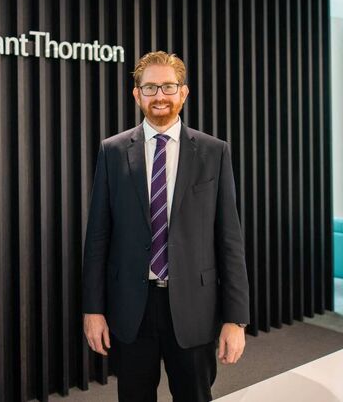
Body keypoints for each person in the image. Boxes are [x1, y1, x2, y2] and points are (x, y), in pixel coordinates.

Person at [82, 51, 250, 402]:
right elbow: (98, 237)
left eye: (169, 87)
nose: (160, 95)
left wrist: (236, 319)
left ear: (183, 92)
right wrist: (93, 310)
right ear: (137, 94)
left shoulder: (213, 152)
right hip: (131, 308)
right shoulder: (113, 151)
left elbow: (229, 240)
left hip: (194, 308)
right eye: (150, 87)